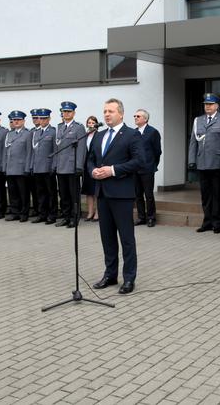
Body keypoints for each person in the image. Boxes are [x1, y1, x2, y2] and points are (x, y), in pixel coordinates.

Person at [89, 98, 144, 294]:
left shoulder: (132, 135)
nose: (106, 114)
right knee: (107, 237)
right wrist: (93, 171)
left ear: (121, 113)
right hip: (102, 193)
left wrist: (112, 170)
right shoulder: (99, 135)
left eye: (111, 111)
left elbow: (139, 161)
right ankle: (110, 275)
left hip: (122, 194)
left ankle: (129, 278)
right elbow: (91, 160)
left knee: (126, 238)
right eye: (105, 111)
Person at [188, 93, 220, 234]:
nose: (207, 106)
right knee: (205, 195)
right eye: (206, 104)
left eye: (210, 104)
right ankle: (207, 221)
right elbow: (193, 142)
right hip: (202, 163)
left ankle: (217, 222)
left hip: (217, 163)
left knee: (217, 194)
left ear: (217, 106)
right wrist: (191, 160)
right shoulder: (198, 120)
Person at [54, 101, 86, 228]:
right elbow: (58, 149)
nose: (66, 114)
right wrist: (56, 165)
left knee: (74, 195)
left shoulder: (78, 127)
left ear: (73, 113)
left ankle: (74, 217)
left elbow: (82, 148)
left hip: (72, 167)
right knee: (63, 195)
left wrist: (79, 166)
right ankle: (66, 217)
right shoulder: (60, 127)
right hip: (61, 167)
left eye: (68, 111)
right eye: (64, 112)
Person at [133, 109, 162, 228]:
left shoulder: (153, 132)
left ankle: (151, 217)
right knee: (138, 194)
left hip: (147, 169)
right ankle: (141, 217)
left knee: (148, 195)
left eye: (138, 116)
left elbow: (157, 151)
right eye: (134, 116)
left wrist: (152, 164)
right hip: (135, 169)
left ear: (145, 119)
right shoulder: (133, 132)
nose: (135, 117)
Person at [28, 108, 58, 225]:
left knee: (51, 193)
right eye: (40, 118)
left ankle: (52, 214)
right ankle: (42, 214)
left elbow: (55, 151)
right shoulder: (35, 132)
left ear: (49, 119)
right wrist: (31, 166)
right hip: (37, 167)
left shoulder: (53, 132)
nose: (42, 120)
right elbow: (33, 152)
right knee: (40, 193)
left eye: (44, 118)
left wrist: (54, 166)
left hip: (48, 167)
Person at [3, 111, 33, 222]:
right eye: (14, 120)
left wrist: (27, 168)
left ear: (23, 121)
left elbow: (29, 152)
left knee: (23, 193)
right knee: (12, 192)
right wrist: (4, 167)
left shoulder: (28, 134)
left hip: (21, 168)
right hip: (10, 168)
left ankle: (24, 213)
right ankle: (15, 212)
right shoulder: (9, 134)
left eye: (18, 120)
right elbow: (6, 152)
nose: (16, 122)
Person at [82, 115, 101, 222]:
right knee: (89, 191)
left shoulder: (99, 135)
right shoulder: (85, 135)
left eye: (93, 122)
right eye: (89, 122)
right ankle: (90, 212)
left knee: (96, 191)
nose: (91, 124)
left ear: (96, 124)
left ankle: (98, 213)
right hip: (86, 166)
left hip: (96, 165)